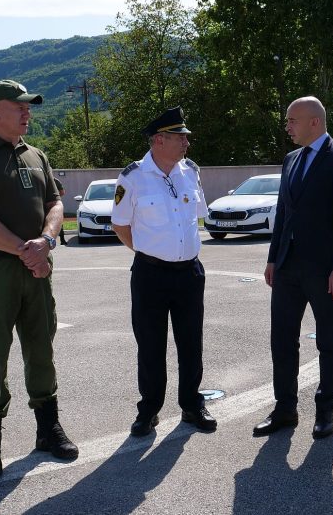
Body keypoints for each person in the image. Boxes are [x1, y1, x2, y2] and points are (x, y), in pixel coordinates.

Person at [0, 79, 78, 479]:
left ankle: (48, 430)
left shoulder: (36, 155)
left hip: (37, 268)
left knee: (41, 349)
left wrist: (47, 241)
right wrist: (28, 252)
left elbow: (55, 203)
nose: (27, 112)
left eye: (29, 107)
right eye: (19, 106)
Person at [253, 96, 333, 440]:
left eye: (292, 120)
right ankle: (285, 408)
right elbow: (284, 213)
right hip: (288, 266)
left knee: (328, 338)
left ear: (314, 121)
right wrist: (273, 258)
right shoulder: (291, 159)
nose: (287, 127)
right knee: (282, 339)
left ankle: (326, 410)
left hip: (325, 269)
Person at [111, 106, 217, 437]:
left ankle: (192, 405)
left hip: (189, 274)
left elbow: (195, 218)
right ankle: (149, 410)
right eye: (180, 137)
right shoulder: (133, 177)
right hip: (151, 275)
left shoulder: (190, 172)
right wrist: (149, 251)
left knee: (191, 343)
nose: (187, 142)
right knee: (151, 346)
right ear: (159, 140)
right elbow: (120, 225)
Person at [53, 177, 68, 245]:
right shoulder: (55, 180)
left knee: (59, 221)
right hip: (54, 203)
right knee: (58, 221)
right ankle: (62, 240)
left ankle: (62, 239)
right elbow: (62, 192)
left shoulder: (55, 181)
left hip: (50, 204)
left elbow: (62, 192)